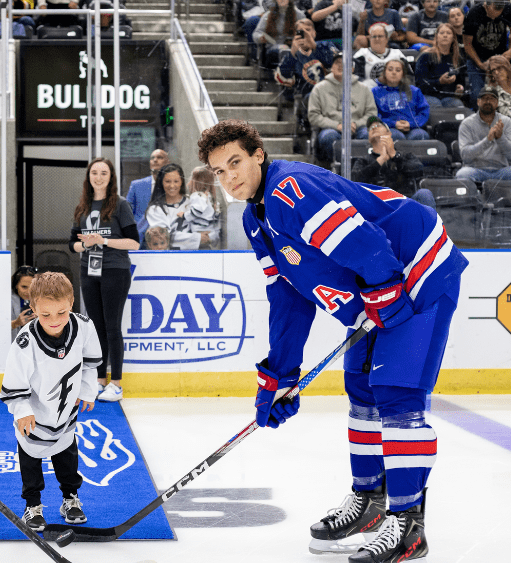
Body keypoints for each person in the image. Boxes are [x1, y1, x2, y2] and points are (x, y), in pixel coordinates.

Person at [198, 119, 467, 563]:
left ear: (258, 155)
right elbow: (288, 298)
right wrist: (280, 375)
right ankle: (370, 501)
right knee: (362, 391)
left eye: (236, 163)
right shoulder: (255, 219)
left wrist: (384, 289)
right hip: (380, 286)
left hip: (416, 271)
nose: (230, 177)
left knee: (397, 395)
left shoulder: (292, 189)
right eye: (219, 171)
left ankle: (408, 525)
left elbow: (362, 242)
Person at [0, 271, 101, 532]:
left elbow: (90, 363)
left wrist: (88, 391)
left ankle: (70, 498)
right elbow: (15, 380)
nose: (54, 321)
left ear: (71, 303)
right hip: (34, 412)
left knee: (67, 456)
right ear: (32, 308)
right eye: (45, 314)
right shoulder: (26, 340)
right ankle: (32, 504)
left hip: (65, 410)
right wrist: (21, 409)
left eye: (62, 312)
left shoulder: (84, 326)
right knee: (31, 459)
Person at [69, 158, 138, 403]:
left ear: (111, 177)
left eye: (104, 173)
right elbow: (72, 244)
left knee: (112, 327)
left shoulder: (120, 205)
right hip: (89, 271)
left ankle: (116, 384)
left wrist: (103, 241)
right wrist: (84, 244)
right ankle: (99, 380)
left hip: (114, 270)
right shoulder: (82, 207)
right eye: (94, 173)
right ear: (89, 177)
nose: (98, 177)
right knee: (96, 330)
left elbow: (134, 242)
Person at [456, 85, 511, 182]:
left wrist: (500, 138)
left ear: (497, 103)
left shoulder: (506, 121)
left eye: (492, 99)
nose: (488, 102)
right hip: (476, 169)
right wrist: (487, 140)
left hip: (501, 170)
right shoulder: (467, 123)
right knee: (462, 175)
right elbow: (465, 156)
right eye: (484, 99)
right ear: (478, 102)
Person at [309, 52, 378, 163]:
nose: (341, 65)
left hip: (358, 127)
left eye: (345, 63)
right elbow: (314, 116)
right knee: (328, 137)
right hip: (331, 127)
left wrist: (356, 124)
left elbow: (371, 113)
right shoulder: (319, 88)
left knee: (368, 135)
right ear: (332, 68)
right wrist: (337, 125)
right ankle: (338, 169)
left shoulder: (364, 89)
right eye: (337, 63)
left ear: (352, 69)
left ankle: (359, 169)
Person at [353, 117, 435, 208]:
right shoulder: (363, 161)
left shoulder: (405, 156)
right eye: (370, 128)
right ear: (368, 138)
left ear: (389, 133)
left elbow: (418, 171)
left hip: (404, 205)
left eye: (378, 125)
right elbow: (355, 179)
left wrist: (394, 155)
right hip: (376, 207)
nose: (374, 128)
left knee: (424, 194)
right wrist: (380, 160)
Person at [463, 0, 511, 105]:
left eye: (497, 15)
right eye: (491, 15)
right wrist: (479, 63)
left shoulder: (508, 8)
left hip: (499, 57)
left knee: (503, 93)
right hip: (477, 57)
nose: (493, 18)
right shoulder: (473, 13)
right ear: (486, 6)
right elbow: (467, 44)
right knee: (477, 96)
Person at [145, 163, 210, 250]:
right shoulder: (155, 209)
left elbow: (207, 233)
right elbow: (164, 237)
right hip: (169, 259)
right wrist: (197, 238)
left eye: (176, 181)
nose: (172, 186)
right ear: (161, 182)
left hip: (195, 257)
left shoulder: (193, 203)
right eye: (167, 181)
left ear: (181, 181)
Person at [275, 18, 338, 100]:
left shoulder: (326, 45)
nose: (305, 34)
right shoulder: (290, 54)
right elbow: (284, 78)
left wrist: (315, 48)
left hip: (330, 90)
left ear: (314, 33)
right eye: (301, 31)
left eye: (308, 30)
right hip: (308, 94)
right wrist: (292, 55)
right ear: (295, 35)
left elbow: (338, 63)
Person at [372, 59, 432, 140]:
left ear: (403, 74)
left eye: (398, 70)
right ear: (384, 73)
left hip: (412, 127)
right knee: (395, 136)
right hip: (389, 127)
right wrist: (393, 124)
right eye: (390, 69)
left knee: (421, 135)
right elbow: (374, 115)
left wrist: (411, 124)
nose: (394, 72)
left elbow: (424, 112)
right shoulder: (375, 92)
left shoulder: (414, 91)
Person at [414, 23, 467, 107]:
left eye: (448, 33)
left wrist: (460, 88)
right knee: (436, 104)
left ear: (453, 38)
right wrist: (439, 81)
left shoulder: (458, 58)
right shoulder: (425, 56)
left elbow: (462, 81)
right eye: (442, 33)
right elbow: (420, 83)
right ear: (436, 37)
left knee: (458, 105)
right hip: (428, 95)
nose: (445, 35)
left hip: (449, 97)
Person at [126, 148, 169, 241]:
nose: (155, 160)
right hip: (140, 238)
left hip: (165, 240)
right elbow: (127, 214)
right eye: (152, 158)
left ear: (167, 162)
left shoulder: (172, 186)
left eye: (160, 157)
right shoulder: (136, 185)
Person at [354, 23, 408, 89]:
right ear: (370, 39)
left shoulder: (397, 54)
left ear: (387, 38)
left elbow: (408, 77)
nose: (377, 39)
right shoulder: (362, 53)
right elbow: (356, 79)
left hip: (394, 93)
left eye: (380, 36)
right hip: (369, 93)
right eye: (374, 36)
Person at [254, 0, 306, 67]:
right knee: (284, 50)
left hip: (294, 47)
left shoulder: (299, 15)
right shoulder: (268, 15)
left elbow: (305, 34)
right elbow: (256, 33)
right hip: (273, 47)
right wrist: (260, 37)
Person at [185, 165, 223, 249]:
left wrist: (184, 215)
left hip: (196, 235)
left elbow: (195, 212)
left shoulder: (197, 196)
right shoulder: (212, 200)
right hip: (209, 236)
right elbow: (217, 225)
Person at [10, 265, 38, 339]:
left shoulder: (43, 299)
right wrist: (16, 323)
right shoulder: (7, 301)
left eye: (32, 287)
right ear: (16, 285)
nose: (28, 292)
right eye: (24, 287)